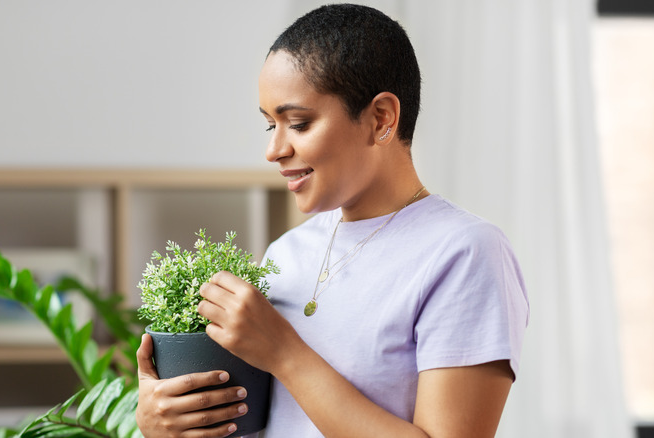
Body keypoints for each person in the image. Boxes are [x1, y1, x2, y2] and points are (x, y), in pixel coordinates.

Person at [136, 4, 529, 437]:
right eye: (272, 126)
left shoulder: (465, 253)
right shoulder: (286, 254)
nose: (275, 150)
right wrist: (164, 424)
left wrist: (284, 350)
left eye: (299, 123)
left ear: (381, 118)